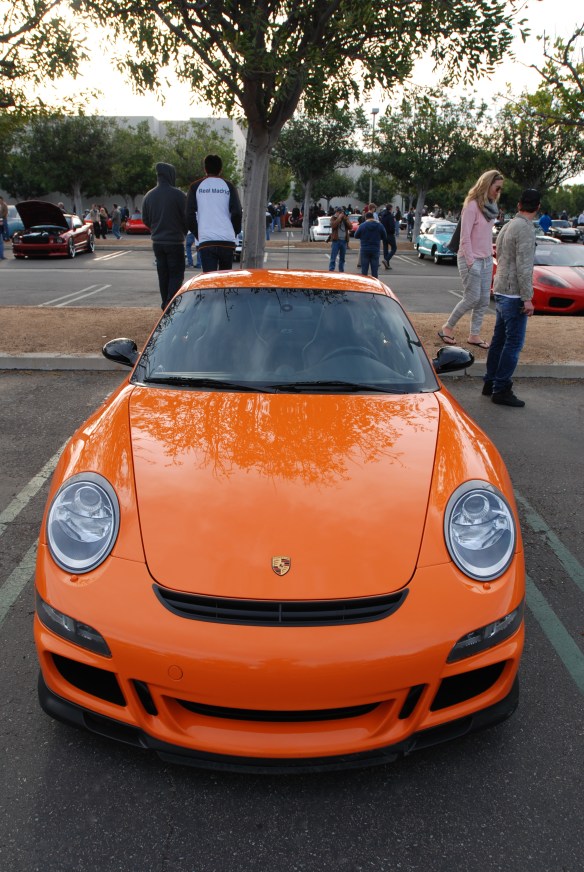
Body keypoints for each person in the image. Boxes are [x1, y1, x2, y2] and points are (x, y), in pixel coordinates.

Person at [482, 189, 540, 407]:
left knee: (499, 340)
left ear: (519, 205)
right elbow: (524, 267)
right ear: (538, 207)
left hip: (500, 288)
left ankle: (490, 382)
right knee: (513, 343)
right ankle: (501, 387)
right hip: (514, 292)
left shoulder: (507, 225)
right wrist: (527, 298)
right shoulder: (525, 229)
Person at [439, 169, 504, 350]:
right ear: (487, 184)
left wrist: (490, 257)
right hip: (470, 259)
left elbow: (484, 235)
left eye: (500, 189)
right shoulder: (472, 205)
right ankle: (447, 327)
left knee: (483, 300)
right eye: (497, 188)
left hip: (486, 258)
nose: (498, 192)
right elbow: (464, 238)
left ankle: (474, 335)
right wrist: (470, 262)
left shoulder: (491, 207)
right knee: (471, 298)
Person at [142, 162, 188, 308]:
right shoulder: (179, 195)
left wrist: (155, 229)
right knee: (176, 274)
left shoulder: (149, 196)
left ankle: (165, 302)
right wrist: (183, 231)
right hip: (175, 242)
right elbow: (186, 218)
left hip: (158, 243)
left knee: (163, 275)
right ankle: (170, 303)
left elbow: (145, 219)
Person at [186, 153, 242, 272]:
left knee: (209, 280)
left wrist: (198, 233)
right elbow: (237, 212)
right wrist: (235, 231)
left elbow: (189, 215)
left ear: (205, 168)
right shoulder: (229, 186)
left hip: (206, 240)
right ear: (220, 169)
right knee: (224, 281)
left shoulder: (195, 187)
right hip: (227, 239)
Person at [354, 211, 386, 278]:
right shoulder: (379, 225)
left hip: (365, 249)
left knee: (364, 270)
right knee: (375, 270)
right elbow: (385, 236)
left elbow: (356, 235)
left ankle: (364, 285)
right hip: (375, 249)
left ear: (366, 218)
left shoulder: (362, 225)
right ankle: (375, 285)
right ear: (373, 217)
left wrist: (362, 237)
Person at [328, 206, 352, 272]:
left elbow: (350, 227)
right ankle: (331, 270)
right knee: (333, 258)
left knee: (342, 259)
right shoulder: (333, 218)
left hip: (344, 241)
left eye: (342, 212)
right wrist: (339, 218)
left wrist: (346, 219)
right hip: (336, 241)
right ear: (337, 212)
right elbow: (333, 225)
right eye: (340, 212)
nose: (341, 213)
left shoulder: (345, 219)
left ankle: (341, 271)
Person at [380, 204, 397, 269]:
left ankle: (387, 264)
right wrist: (393, 232)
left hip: (384, 234)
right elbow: (392, 226)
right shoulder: (390, 216)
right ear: (390, 208)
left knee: (385, 249)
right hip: (389, 234)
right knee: (394, 248)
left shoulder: (383, 216)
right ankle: (386, 260)